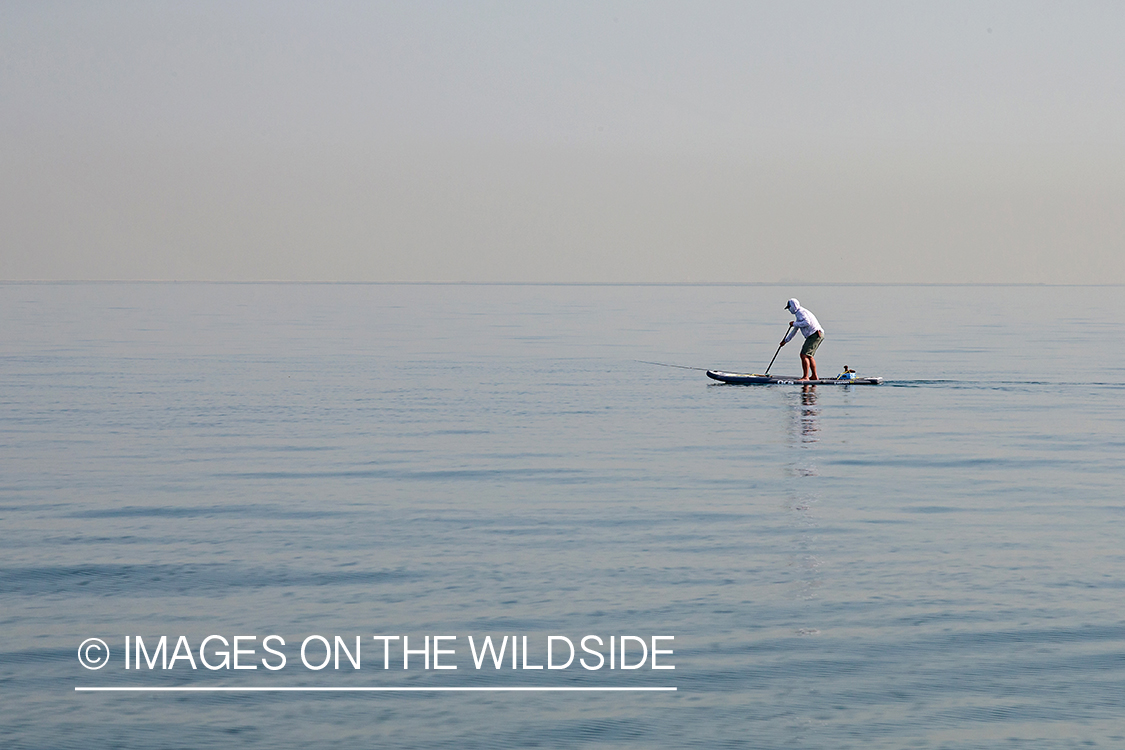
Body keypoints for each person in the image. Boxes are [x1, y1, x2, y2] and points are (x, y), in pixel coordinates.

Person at [779, 298, 824, 381]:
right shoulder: (798, 314)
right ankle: (814, 376)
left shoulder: (801, 312)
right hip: (817, 334)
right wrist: (785, 341)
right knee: (809, 356)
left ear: (793, 306)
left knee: (804, 355)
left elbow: (807, 323)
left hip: (814, 334)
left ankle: (806, 377)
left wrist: (794, 323)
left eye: (789, 307)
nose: (789, 309)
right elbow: (795, 330)